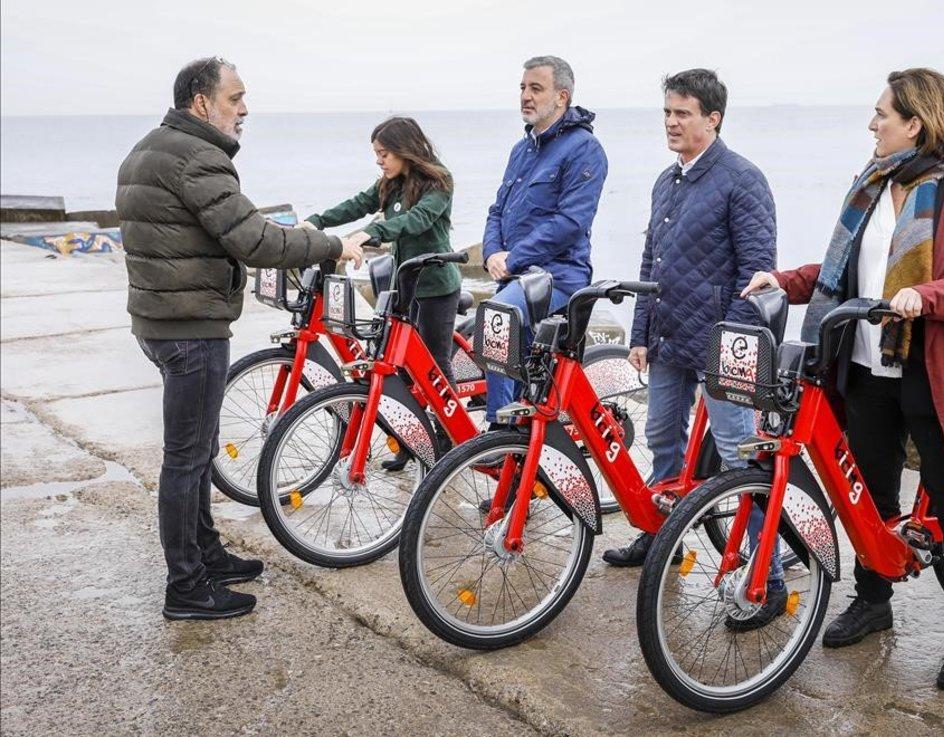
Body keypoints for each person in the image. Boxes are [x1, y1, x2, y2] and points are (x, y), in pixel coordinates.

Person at [741, 67, 944, 689]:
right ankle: (874, 601)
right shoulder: (872, 184)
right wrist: (784, 281)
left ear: (916, 122)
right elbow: (847, 272)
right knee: (868, 493)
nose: (872, 125)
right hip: (866, 363)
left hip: (937, 367)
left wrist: (932, 294)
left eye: (882, 115)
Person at [116, 57, 364, 621]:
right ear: (201, 102)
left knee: (198, 451)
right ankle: (187, 589)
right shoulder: (198, 157)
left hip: (159, 322)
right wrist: (328, 244)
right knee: (186, 459)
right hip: (190, 328)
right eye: (235, 98)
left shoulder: (150, 147)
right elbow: (251, 239)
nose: (244, 109)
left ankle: (206, 554)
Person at [602, 69, 784, 630]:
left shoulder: (742, 179)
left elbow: (758, 276)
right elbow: (650, 265)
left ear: (713, 118)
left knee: (738, 457)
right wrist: (638, 332)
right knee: (660, 439)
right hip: (668, 341)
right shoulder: (667, 181)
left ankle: (769, 577)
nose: (672, 123)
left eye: (682, 113)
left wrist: (723, 344)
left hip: (723, 348)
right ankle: (662, 538)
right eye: (666, 113)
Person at [480, 55, 607, 424]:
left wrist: (513, 257)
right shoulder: (522, 149)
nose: (526, 96)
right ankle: (514, 415)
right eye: (522, 87)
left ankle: (501, 426)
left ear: (562, 97)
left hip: (559, 276)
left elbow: (570, 222)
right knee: (479, 333)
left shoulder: (584, 149)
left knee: (500, 317)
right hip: (517, 275)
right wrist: (491, 254)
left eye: (536, 88)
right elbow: (496, 210)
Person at [300, 116, 460, 382]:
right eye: (376, 154)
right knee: (402, 361)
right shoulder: (391, 181)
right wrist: (317, 220)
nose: (379, 161)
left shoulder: (439, 181)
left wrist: (373, 231)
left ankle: (449, 424)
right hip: (405, 285)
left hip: (437, 286)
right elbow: (358, 204)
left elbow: (417, 219)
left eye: (384, 154)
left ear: (404, 149)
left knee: (435, 364)